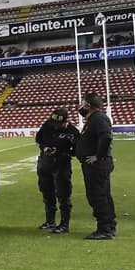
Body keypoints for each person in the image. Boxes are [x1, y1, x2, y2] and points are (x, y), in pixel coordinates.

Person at [75, 93, 116, 240]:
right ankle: (108, 226)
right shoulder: (94, 119)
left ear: (88, 105)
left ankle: (105, 229)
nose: (80, 106)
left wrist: (98, 156)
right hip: (95, 165)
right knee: (101, 195)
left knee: (98, 196)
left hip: (97, 166)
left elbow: (106, 137)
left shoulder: (98, 118)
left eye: (82, 103)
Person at [35, 108, 79, 233]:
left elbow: (78, 148)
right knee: (46, 192)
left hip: (62, 164)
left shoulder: (72, 131)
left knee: (63, 194)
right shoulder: (47, 125)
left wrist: (65, 153)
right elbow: (38, 140)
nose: (54, 126)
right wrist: (45, 148)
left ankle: (64, 224)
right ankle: (50, 221)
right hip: (45, 163)